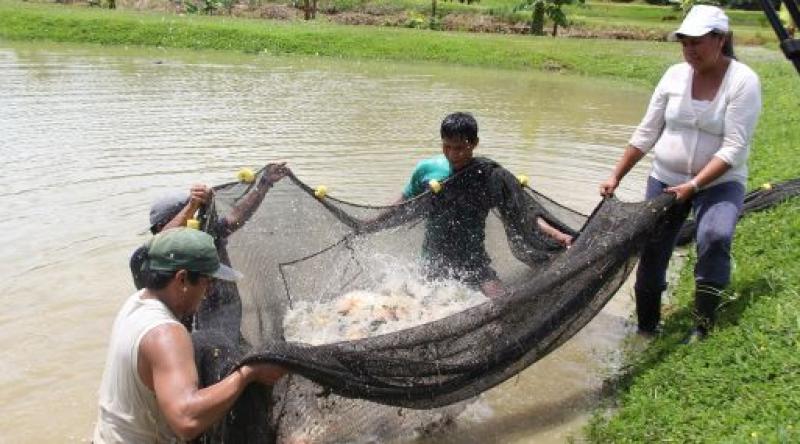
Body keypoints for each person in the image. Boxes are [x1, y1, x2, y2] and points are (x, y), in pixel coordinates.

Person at [599, 5, 762, 341]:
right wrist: (617, 175)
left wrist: (695, 184)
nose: (690, 50)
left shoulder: (743, 81)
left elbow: (734, 148)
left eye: (697, 42)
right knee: (653, 251)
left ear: (721, 39)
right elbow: (647, 132)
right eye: (684, 42)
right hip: (665, 180)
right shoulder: (674, 76)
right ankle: (646, 328)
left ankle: (703, 324)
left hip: (719, 183)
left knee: (715, 237)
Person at [93, 228, 288, 443]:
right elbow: (186, 420)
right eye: (207, 282)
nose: (208, 293)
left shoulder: (136, 302)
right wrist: (247, 374)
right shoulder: (166, 334)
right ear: (182, 280)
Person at [399, 112, 573, 298]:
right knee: (418, 305)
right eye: (446, 146)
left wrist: (559, 235)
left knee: (502, 303)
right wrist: (369, 223)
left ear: (474, 143)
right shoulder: (427, 170)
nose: (452, 154)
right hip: (433, 261)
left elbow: (524, 214)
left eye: (459, 148)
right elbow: (402, 204)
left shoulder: (488, 176)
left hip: (474, 261)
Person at [130, 163, 290, 335]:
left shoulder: (205, 236)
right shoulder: (146, 261)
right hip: (186, 327)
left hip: (223, 311)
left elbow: (238, 216)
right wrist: (190, 207)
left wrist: (264, 183)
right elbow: (162, 240)